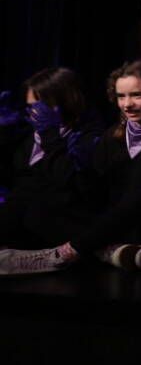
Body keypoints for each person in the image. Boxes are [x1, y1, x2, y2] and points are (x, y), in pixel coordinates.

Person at [0, 61, 141, 274]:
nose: (127, 104)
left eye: (136, 95)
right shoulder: (112, 136)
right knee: (41, 207)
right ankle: (114, 252)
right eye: (120, 96)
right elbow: (92, 190)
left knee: (134, 199)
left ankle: (65, 254)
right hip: (110, 222)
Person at [0, 68, 101, 262]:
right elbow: (13, 181)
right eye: (30, 106)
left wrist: (50, 136)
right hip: (22, 226)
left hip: (59, 226)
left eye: (41, 106)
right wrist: (3, 133)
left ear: (65, 101)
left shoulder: (87, 136)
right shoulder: (28, 137)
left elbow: (70, 183)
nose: (34, 112)